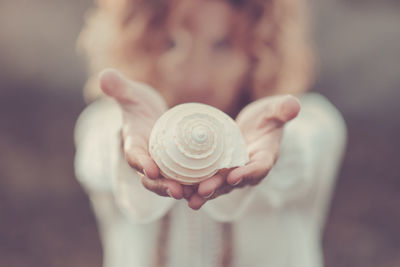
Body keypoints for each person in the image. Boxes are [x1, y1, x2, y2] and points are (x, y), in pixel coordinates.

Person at [74, 0, 347, 266]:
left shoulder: (309, 120)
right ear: (140, 41)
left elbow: (310, 148)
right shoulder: (107, 122)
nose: (197, 76)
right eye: (172, 44)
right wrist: (130, 145)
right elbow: (97, 158)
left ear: (260, 46)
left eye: (222, 45)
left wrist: (272, 145)